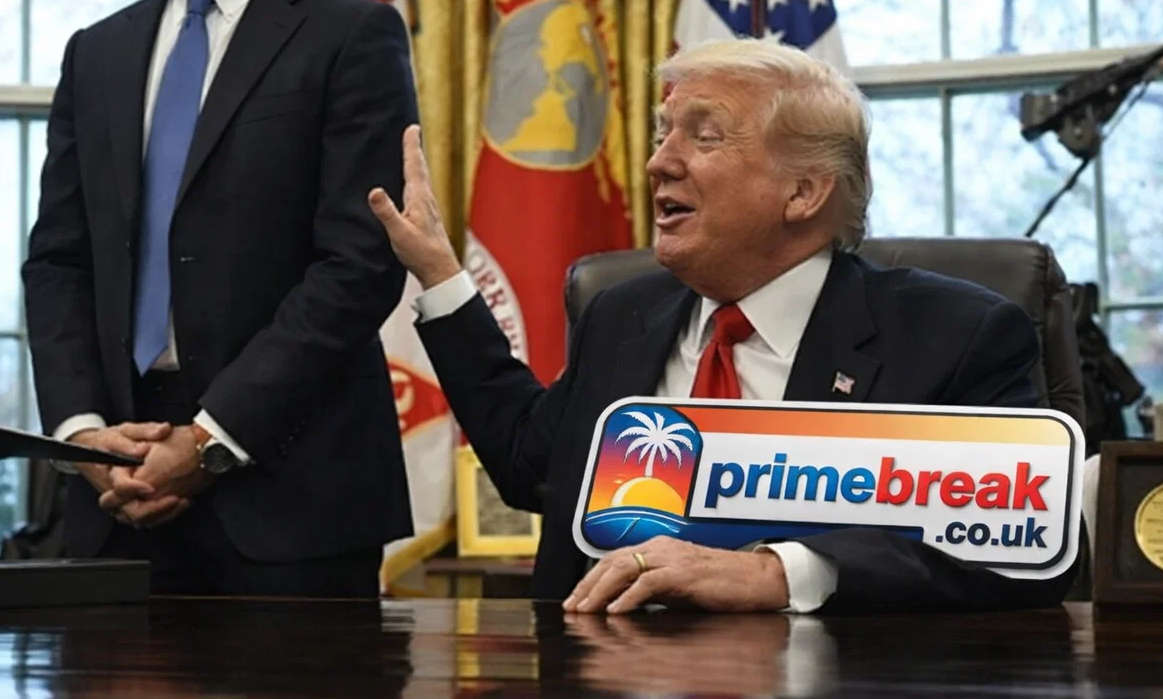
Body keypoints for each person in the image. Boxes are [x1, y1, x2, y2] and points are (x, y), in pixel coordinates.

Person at [368, 38, 1077, 613]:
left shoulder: (956, 335)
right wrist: (439, 273)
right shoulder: (622, 315)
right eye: (662, 135)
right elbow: (532, 468)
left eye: (703, 137)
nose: (658, 163)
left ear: (803, 191)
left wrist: (781, 573)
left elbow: (1019, 549)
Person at [24, 0, 417, 596]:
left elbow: (358, 264)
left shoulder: (351, 35)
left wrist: (209, 443)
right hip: (114, 498)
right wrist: (81, 432)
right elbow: (58, 261)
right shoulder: (97, 52)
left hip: (291, 507)